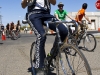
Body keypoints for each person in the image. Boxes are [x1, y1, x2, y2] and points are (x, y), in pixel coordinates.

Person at [21, 0, 69, 74]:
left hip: (46, 14)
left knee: (64, 31)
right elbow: (23, 5)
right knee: (41, 35)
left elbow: (54, 2)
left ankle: (52, 55)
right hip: (33, 14)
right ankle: (39, 66)